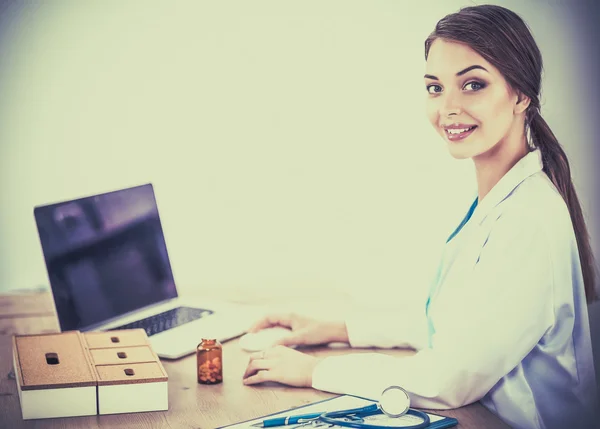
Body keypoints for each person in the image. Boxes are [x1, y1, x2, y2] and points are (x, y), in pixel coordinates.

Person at [241, 5, 599, 429]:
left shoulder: (528, 221)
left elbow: (451, 379)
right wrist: (335, 328)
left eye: (472, 84)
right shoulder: (501, 202)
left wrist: (315, 372)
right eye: (435, 88)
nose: (448, 107)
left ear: (521, 95)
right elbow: (452, 324)